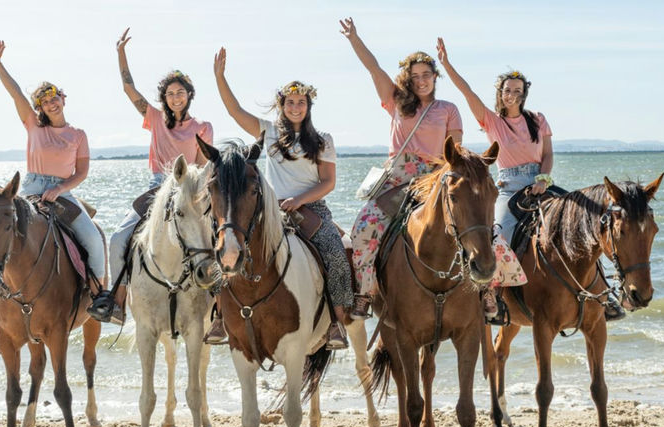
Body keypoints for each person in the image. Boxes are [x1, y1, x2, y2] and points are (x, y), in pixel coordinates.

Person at [435, 37, 625, 321]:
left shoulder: (537, 119)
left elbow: (547, 154)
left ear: (524, 95)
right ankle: (492, 297)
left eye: (517, 91)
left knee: (584, 226)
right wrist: (447, 64)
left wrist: (543, 179)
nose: (512, 94)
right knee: (497, 236)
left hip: (541, 184)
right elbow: (468, 92)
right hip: (509, 188)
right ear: (500, 94)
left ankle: (604, 294)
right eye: (507, 90)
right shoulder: (491, 121)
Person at [0, 40, 106, 324]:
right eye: (45, 101)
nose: (51, 103)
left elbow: (81, 172)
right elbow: (15, 93)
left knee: (94, 239)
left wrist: (60, 189)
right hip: (32, 189)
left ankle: (100, 297)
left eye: (54, 98)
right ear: (41, 108)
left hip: (62, 192)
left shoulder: (78, 134)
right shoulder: (33, 125)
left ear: (63, 98)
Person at [210, 46, 351, 349]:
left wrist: (300, 200)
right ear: (282, 105)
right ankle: (220, 318)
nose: (296, 107)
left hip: (311, 209)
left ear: (308, 106)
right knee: (230, 247)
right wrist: (220, 77)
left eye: (301, 102)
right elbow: (235, 112)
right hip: (272, 211)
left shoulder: (323, 140)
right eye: (290, 102)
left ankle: (338, 324)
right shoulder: (269, 132)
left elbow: (328, 182)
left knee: (336, 253)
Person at [339, 18, 464, 319]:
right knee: (363, 229)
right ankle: (365, 292)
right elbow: (373, 67)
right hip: (397, 178)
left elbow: (455, 151)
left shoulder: (448, 109)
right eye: (415, 76)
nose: (421, 80)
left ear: (436, 76)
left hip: (435, 175)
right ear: (408, 79)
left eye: (427, 74)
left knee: (474, 227)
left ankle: (485, 294)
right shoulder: (396, 100)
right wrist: (354, 38)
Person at [87, 28, 213, 324]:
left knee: (218, 236)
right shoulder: (155, 118)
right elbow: (129, 90)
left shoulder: (202, 127)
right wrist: (121, 54)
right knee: (119, 238)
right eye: (170, 93)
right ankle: (116, 301)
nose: (175, 97)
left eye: (180, 92)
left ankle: (219, 304)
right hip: (157, 188)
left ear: (189, 95)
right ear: (164, 98)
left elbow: (203, 166)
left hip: (189, 189)